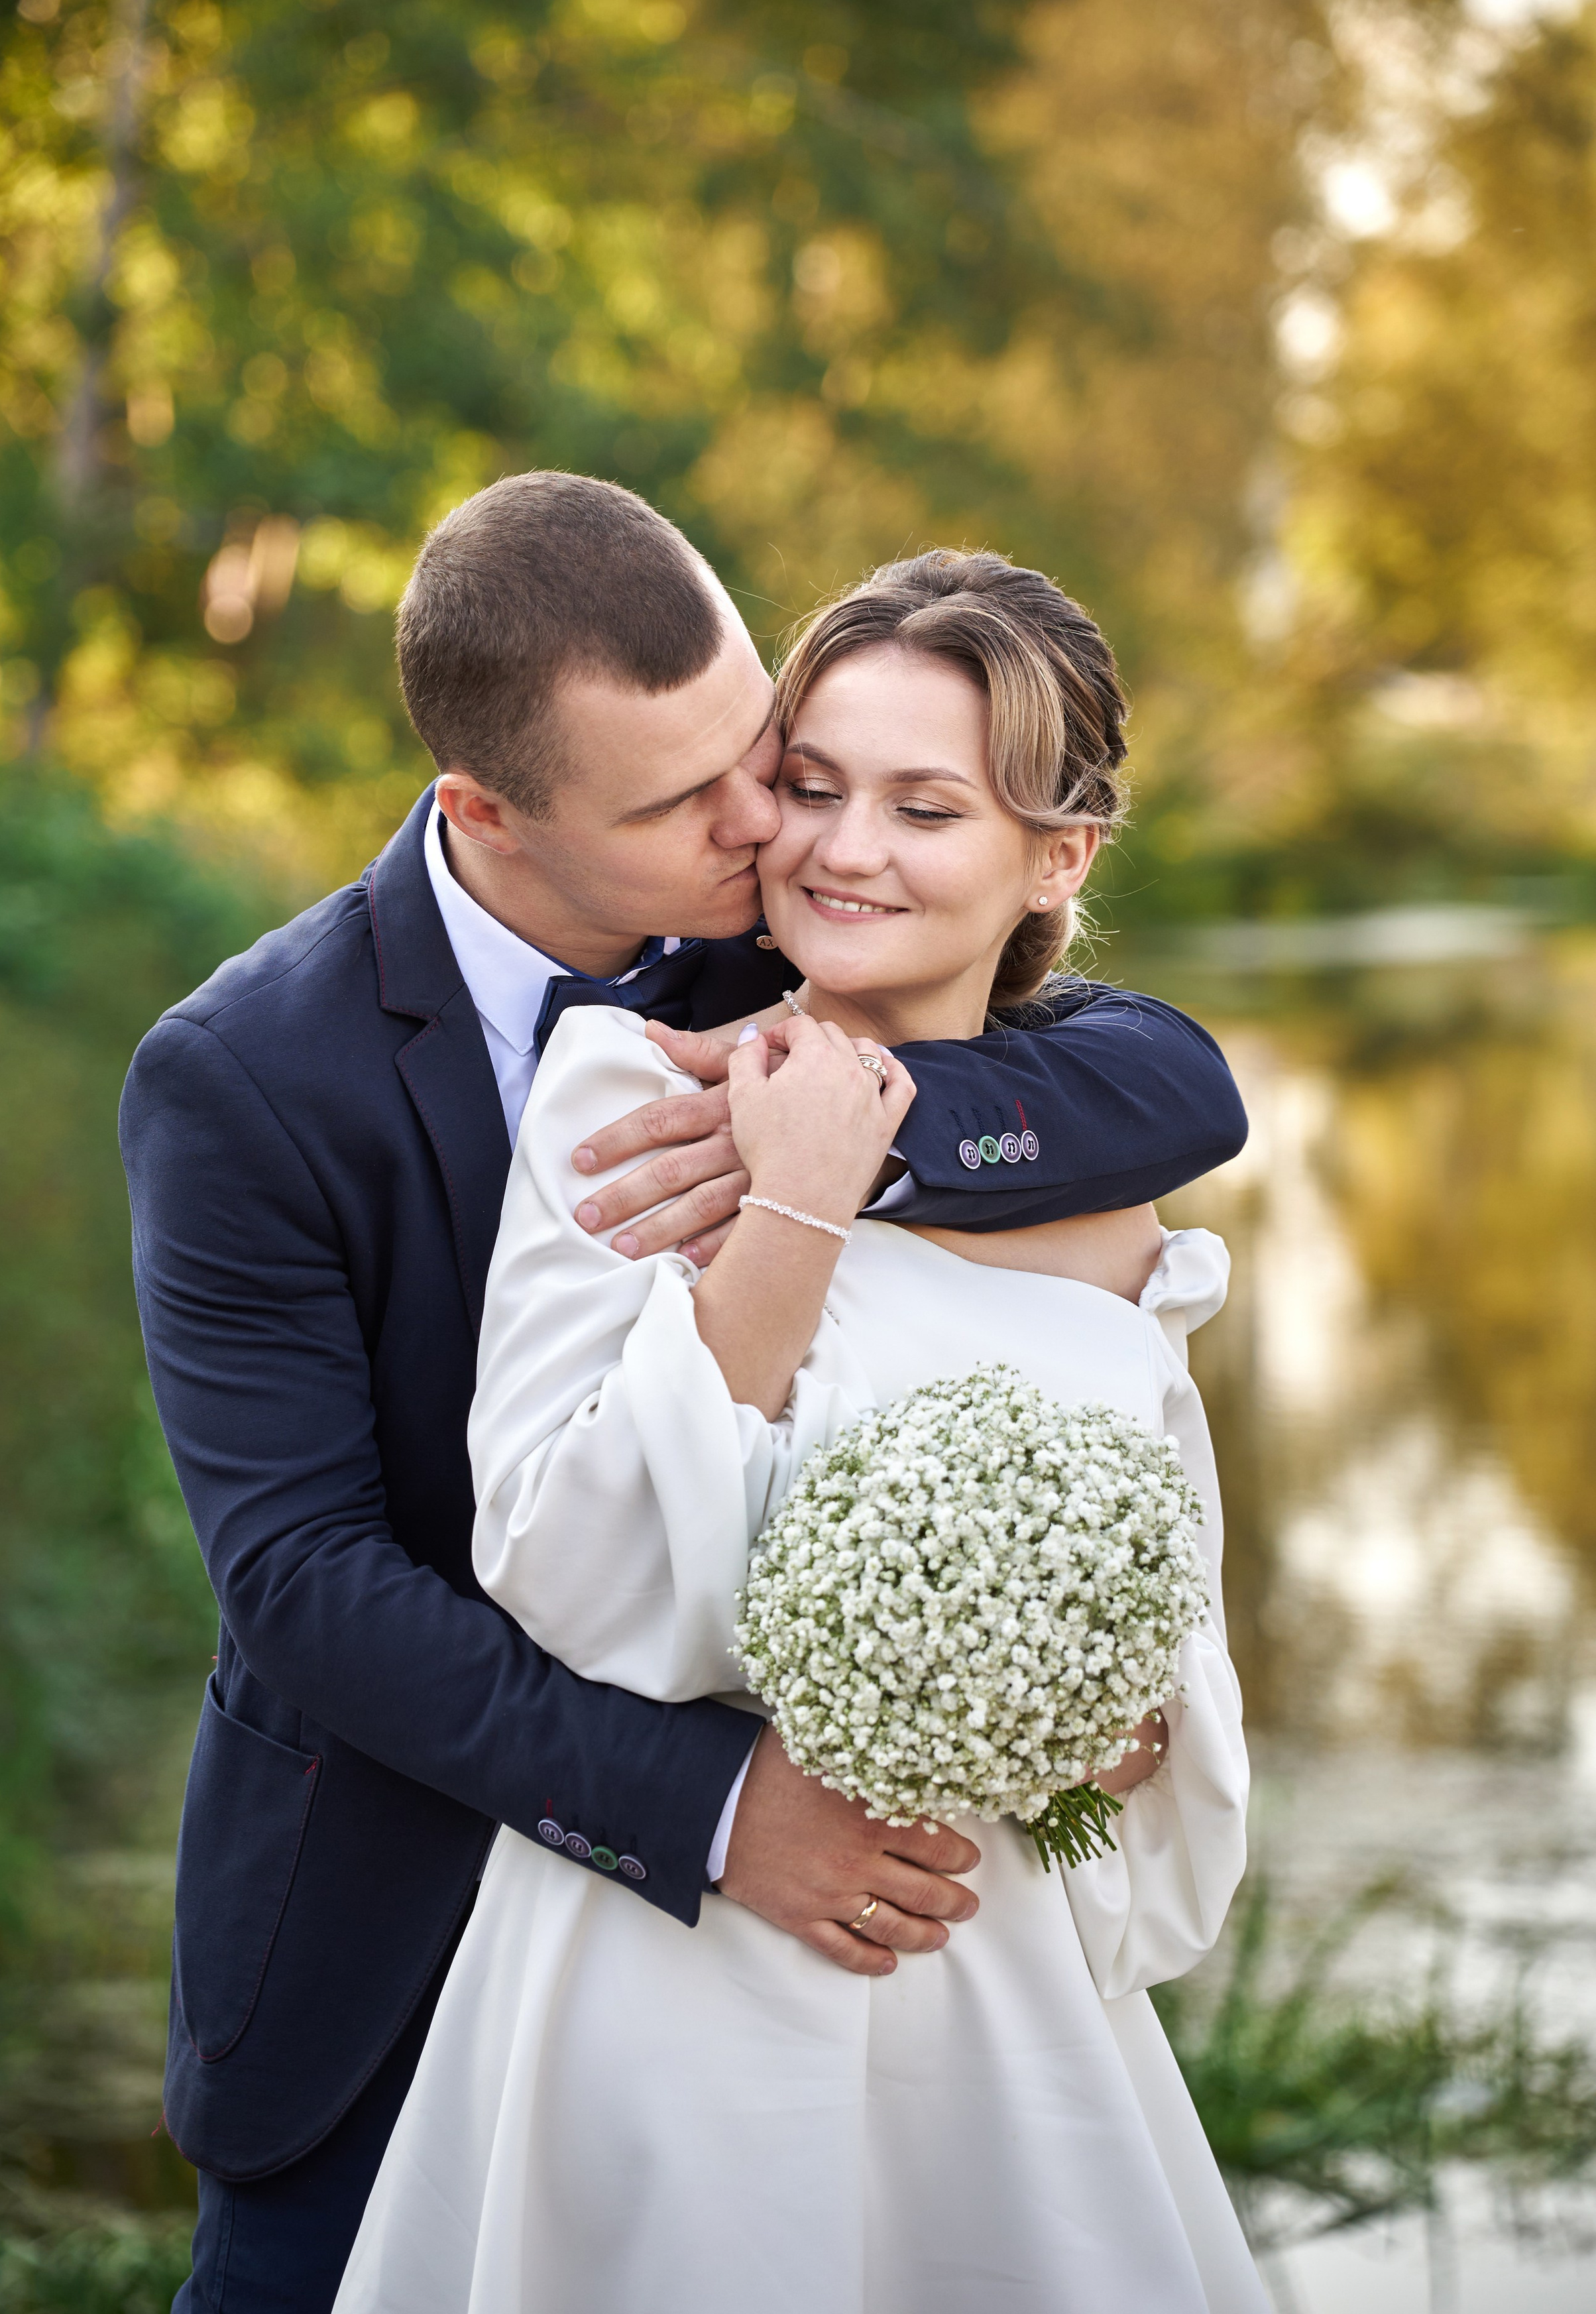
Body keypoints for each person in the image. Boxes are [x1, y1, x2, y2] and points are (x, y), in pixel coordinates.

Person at [119, 479, 1248, 2313]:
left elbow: (1164, 1078)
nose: (767, 831)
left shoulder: (786, 943)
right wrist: (726, 1806)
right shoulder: (246, 1078)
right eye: (690, 800)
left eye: (764, 754)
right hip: (398, 1907)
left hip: (920, 1944)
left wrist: (851, 1141)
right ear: (489, 810)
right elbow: (310, 1582)